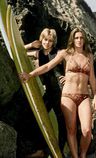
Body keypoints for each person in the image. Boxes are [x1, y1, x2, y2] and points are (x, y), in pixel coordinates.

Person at [20, 27, 96, 158]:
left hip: (84, 96)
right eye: (76, 37)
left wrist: (95, 96)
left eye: (81, 37)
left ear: (84, 39)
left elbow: (92, 77)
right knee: (71, 129)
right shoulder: (65, 53)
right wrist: (30, 75)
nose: (79, 40)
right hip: (68, 95)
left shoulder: (89, 55)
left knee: (87, 130)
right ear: (72, 39)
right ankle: (74, 156)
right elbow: (47, 66)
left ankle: (83, 153)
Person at [24, 28, 67, 156]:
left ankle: (58, 152)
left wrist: (68, 76)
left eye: (50, 41)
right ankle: (41, 150)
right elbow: (20, 51)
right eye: (45, 39)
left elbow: (72, 64)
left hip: (61, 92)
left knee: (62, 123)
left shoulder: (59, 53)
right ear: (41, 39)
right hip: (49, 92)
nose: (47, 43)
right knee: (36, 118)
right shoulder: (38, 53)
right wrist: (31, 44)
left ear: (54, 42)